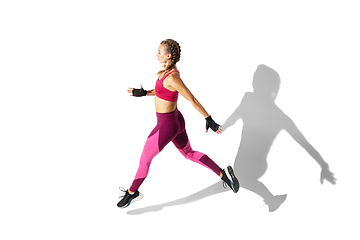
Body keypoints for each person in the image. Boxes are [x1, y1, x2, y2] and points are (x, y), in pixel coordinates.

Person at [117, 39, 239, 208]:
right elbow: (161, 92)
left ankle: (132, 193)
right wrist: (144, 93)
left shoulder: (173, 77)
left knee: (144, 159)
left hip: (167, 125)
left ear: (168, 55)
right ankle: (224, 175)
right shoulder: (166, 73)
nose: (157, 54)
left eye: (159, 52)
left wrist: (208, 118)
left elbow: (192, 99)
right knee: (189, 154)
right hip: (175, 121)